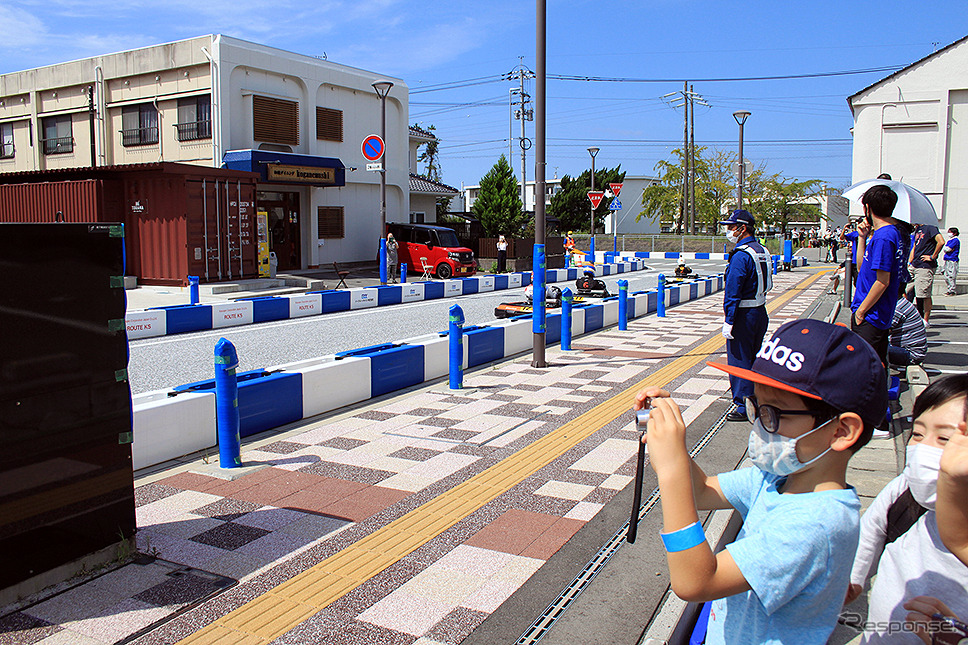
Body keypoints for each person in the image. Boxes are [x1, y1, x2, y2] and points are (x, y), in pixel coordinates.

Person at [635, 319, 886, 644]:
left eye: (774, 413)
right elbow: (701, 491)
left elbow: (696, 582)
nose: (760, 426)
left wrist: (670, 470)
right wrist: (669, 436)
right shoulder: (779, 478)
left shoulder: (815, 525)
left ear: (841, 431)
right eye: (758, 406)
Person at [846, 374, 968, 644]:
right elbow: (870, 532)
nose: (922, 449)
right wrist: (851, 582)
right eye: (918, 433)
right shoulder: (904, 490)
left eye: (945, 439)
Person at [719, 209, 772, 422]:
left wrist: (729, 319)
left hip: (743, 314)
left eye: (731, 227)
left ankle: (743, 405)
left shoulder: (741, 255)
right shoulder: (761, 250)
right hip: (760, 310)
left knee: (739, 359)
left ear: (742, 229)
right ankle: (756, 399)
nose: (728, 231)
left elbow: (733, 290)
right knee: (754, 358)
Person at [850, 184, 909, 369]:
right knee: (877, 363)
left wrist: (861, 312)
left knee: (863, 366)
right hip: (874, 312)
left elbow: (883, 281)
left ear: (868, 207)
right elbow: (862, 268)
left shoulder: (885, 237)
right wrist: (862, 238)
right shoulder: (885, 234)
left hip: (871, 314)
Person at [909, 221, 945, 325]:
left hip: (925, 266)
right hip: (915, 264)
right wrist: (910, 261)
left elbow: (941, 242)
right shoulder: (917, 230)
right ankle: (910, 315)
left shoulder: (930, 227)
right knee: (905, 289)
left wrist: (932, 256)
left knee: (923, 294)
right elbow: (915, 246)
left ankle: (925, 320)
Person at [888, 294, 928, 368]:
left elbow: (881, 332)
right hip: (915, 352)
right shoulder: (902, 303)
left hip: (911, 355)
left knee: (873, 346)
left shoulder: (897, 308)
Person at [943, 227, 960, 296]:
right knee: (946, 275)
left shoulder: (955, 240)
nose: (949, 233)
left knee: (951, 275)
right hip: (947, 259)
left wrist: (947, 248)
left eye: (950, 232)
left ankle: (952, 290)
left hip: (952, 260)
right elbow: (946, 248)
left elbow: (947, 249)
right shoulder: (950, 240)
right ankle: (949, 289)